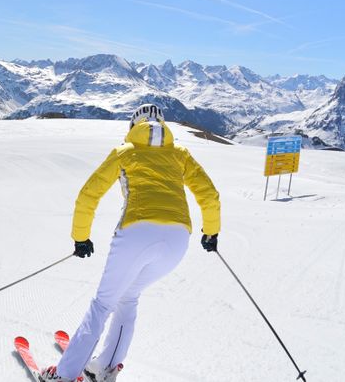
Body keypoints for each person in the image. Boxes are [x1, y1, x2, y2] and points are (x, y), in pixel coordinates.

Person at [39, 104, 221, 382]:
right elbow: (209, 194)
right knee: (128, 297)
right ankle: (107, 367)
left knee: (103, 304)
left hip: (136, 232)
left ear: (133, 127)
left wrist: (81, 237)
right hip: (177, 239)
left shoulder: (125, 151)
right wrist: (211, 232)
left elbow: (89, 194)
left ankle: (64, 375)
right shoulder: (180, 154)